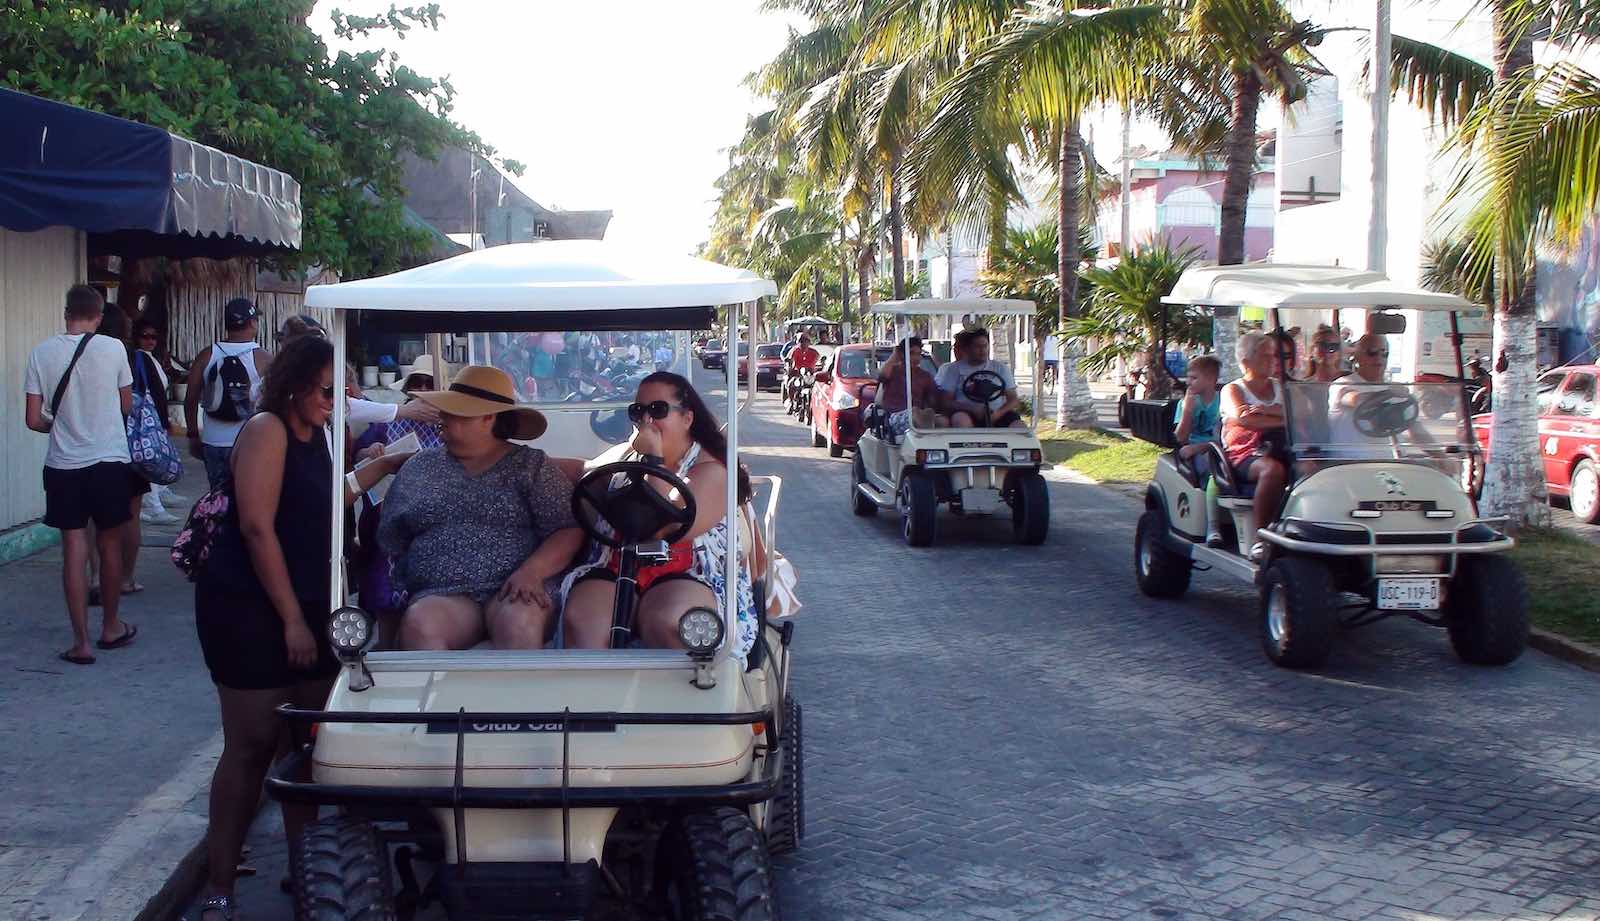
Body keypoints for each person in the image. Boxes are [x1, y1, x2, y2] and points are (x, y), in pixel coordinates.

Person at [192, 337, 411, 921]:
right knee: (252, 745)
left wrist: (381, 467)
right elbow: (258, 528)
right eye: (324, 389)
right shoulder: (267, 430)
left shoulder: (319, 436)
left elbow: (325, 502)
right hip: (249, 606)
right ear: (292, 383)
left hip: (312, 602)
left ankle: (306, 867)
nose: (334, 399)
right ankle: (220, 883)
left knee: (309, 743)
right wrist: (291, 620)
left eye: (340, 389)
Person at [378, 365, 583, 651]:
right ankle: (441, 698)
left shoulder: (530, 466)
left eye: (455, 411)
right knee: (421, 625)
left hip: (515, 587)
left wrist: (533, 571)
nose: (443, 416)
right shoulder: (419, 467)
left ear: (489, 417)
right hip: (443, 595)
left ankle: (524, 697)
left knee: (519, 623)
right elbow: (393, 539)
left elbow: (568, 528)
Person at [562, 372, 758, 657]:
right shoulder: (628, 453)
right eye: (638, 411)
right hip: (617, 563)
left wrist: (654, 459)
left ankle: (675, 700)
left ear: (687, 418)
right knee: (585, 626)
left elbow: (669, 526)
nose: (647, 421)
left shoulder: (713, 470)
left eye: (658, 410)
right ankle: (593, 699)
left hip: (687, 570)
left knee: (669, 623)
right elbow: (586, 470)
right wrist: (524, 458)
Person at [23, 285, 138, 665]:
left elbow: (33, 419)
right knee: (109, 546)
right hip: (108, 461)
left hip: (63, 465)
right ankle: (111, 627)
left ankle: (81, 643)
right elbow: (125, 404)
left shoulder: (41, 353)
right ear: (99, 314)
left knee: (73, 549)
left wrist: (59, 426)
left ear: (66, 312)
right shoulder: (114, 349)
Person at [186, 298, 270, 491]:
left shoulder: (206, 355)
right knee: (245, 499)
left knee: (217, 499)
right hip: (247, 441)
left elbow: (190, 399)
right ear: (252, 323)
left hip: (213, 441)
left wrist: (192, 435)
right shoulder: (263, 358)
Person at [1220, 331, 1288, 559]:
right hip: (1245, 453)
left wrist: (1267, 411)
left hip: (1282, 447)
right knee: (1272, 470)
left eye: (1273, 356)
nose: (1272, 361)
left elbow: (1299, 415)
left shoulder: (1280, 387)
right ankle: (1262, 538)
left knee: (1313, 469)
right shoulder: (1233, 390)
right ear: (1246, 361)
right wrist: (1280, 418)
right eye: (1265, 356)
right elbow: (1245, 420)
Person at [132, 318, 182, 525]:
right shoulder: (140, 358)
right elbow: (157, 392)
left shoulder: (150, 359)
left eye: (154, 337)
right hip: (147, 417)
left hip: (151, 415)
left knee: (154, 456)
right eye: (145, 336)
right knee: (150, 458)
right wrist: (163, 420)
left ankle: (159, 493)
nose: (150, 340)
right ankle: (153, 505)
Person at [1174, 354, 1225, 547]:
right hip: (1198, 453)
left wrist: (1199, 447)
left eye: (1194, 378)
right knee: (1211, 470)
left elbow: (1222, 437)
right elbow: (1181, 437)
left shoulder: (1222, 402)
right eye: (1189, 377)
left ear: (1211, 379)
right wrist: (1188, 410)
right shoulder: (1186, 403)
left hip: (1215, 449)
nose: (1189, 382)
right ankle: (1213, 527)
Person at [936, 327, 1024, 428]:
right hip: (966, 412)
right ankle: (968, 443)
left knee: (1019, 426)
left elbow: (1013, 399)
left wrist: (997, 414)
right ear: (967, 349)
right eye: (977, 347)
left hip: (997, 412)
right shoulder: (953, 370)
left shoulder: (1000, 368)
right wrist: (972, 408)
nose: (982, 350)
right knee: (960, 420)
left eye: (985, 346)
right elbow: (946, 401)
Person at [876, 336, 942, 438]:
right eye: (911, 353)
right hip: (893, 418)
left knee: (942, 421)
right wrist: (895, 355)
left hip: (918, 416)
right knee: (914, 412)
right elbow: (882, 376)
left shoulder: (925, 376)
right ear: (902, 354)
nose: (916, 358)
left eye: (918, 354)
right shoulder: (892, 371)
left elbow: (933, 400)